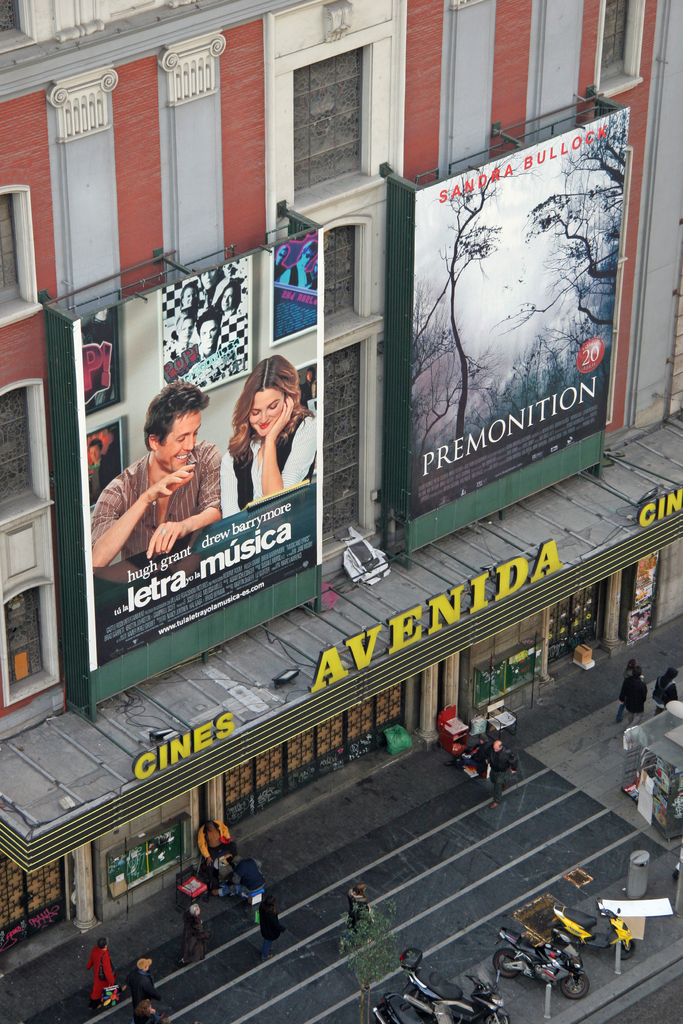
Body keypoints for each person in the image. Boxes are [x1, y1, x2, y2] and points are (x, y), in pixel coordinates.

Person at [91, 382, 222, 566]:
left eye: (195, 433)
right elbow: (96, 560)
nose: (190, 445)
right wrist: (145, 498)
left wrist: (184, 526)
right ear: (154, 441)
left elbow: (215, 511)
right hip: (143, 590)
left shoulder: (207, 457)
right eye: (181, 438)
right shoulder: (117, 492)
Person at [220, 355, 316, 517]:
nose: (263, 419)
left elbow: (278, 504)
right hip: (248, 541)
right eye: (255, 412)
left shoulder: (306, 428)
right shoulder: (231, 458)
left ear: (288, 400)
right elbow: (231, 524)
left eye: (272, 407)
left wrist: (270, 440)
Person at [197, 820, 233, 895]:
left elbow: (224, 829)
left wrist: (228, 837)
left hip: (221, 843)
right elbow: (202, 845)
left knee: (233, 846)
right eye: (210, 830)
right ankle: (211, 882)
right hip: (212, 848)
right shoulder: (202, 832)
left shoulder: (218, 824)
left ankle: (235, 864)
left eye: (213, 828)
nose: (212, 830)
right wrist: (208, 856)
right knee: (209, 864)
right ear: (207, 829)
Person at [86, 936, 118, 1009]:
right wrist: (111, 982)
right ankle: (93, 1004)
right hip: (102, 977)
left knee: (97, 987)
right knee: (98, 990)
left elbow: (91, 959)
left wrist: (88, 966)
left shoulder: (95, 949)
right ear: (105, 945)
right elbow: (107, 971)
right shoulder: (105, 955)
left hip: (97, 972)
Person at [487, 739, 518, 808]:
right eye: (494, 748)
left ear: (501, 747)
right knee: (492, 779)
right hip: (494, 769)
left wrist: (513, 768)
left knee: (497, 785)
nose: (494, 750)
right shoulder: (492, 749)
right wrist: (488, 759)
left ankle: (497, 801)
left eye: (496, 749)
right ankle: (504, 782)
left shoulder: (507, 753)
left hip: (501, 771)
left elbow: (513, 761)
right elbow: (488, 754)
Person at [259, 894, 285, 960]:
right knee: (267, 941)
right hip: (270, 931)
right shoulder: (271, 914)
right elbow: (276, 924)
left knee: (267, 940)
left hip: (264, 927)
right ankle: (265, 955)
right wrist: (282, 929)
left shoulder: (262, 907)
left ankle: (268, 948)